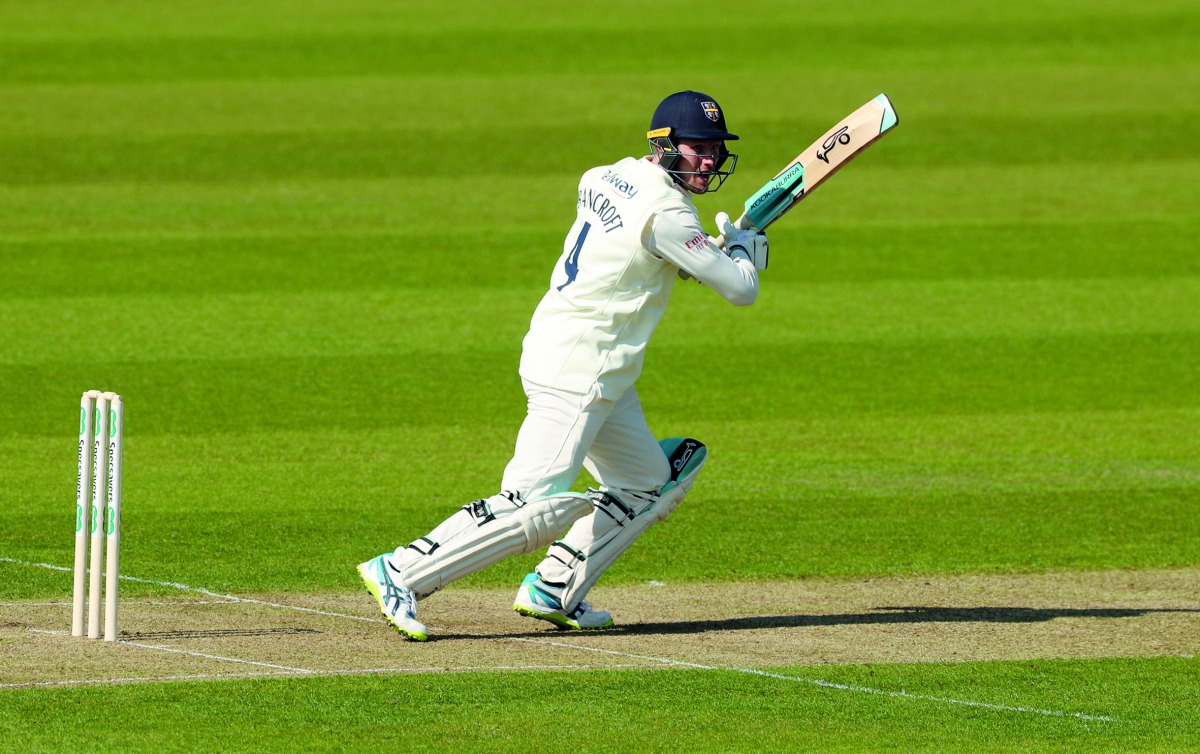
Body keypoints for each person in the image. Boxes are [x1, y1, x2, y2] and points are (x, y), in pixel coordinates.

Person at [357, 90, 768, 641]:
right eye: (698, 148)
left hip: (578, 356)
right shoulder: (668, 212)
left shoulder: (604, 175)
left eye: (716, 149)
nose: (710, 160)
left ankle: (555, 586)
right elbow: (740, 290)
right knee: (534, 502)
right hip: (585, 369)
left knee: (648, 483)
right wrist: (743, 250)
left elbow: (648, 250)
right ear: (664, 145)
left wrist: (705, 253)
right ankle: (402, 570)